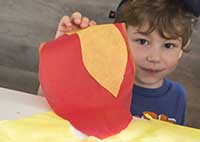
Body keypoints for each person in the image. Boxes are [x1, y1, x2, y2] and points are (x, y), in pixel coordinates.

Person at [38, 0, 199, 126]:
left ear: (181, 48)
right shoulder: (98, 81)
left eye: (168, 45)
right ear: (118, 37)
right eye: (142, 41)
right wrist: (62, 56)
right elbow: (43, 107)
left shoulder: (178, 96)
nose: (154, 57)